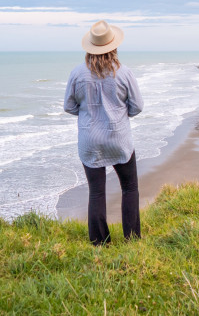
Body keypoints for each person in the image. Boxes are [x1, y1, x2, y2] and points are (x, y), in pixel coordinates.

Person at [64, 20, 144, 245]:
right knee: (130, 188)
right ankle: (132, 239)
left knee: (96, 193)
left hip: (90, 140)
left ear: (90, 48)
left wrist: (90, 114)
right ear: (113, 46)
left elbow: (69, 106)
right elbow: (137, 106)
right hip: (118, 138)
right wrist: (117, 113)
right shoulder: (124, 73)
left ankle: (100, 243)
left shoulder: (77, 73)